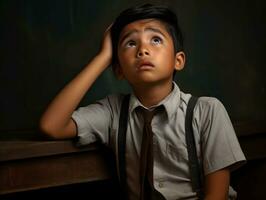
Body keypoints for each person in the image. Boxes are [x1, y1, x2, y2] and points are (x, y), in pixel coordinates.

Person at [39, 3, 246, 200]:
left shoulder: (207, 111)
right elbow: (52, 126)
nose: (142, 50)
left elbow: (216, 195)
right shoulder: (113, 112)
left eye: (155, 39)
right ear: (119, 69)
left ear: (178, 60)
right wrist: (103, 57)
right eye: (130, 43)